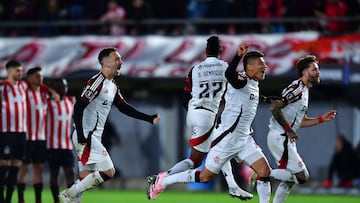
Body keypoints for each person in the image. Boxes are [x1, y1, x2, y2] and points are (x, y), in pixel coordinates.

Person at [148, 45, 273, 203]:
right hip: (226, 138)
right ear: (249, 67)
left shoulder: (252, 83)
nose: (265, 66)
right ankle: (164, 181)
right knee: (205, 176)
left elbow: (251, 97)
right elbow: (230, 74)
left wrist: (269, 99)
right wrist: (237, 56)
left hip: (244, 139)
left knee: (265, 171)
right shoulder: (241, 80)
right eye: (261, 63)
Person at [59, 47, 160, 203]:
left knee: (85, 177)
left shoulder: (112, 86)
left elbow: (124, 107)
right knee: (108, 172)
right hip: (87, 136)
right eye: (117, 59)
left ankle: (71, 199)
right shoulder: (97, 82)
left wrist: (148, 118)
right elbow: (79, 106)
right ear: (105, 63)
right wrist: (80, 134)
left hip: (92, 137)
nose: (121, 62)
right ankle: (69, 194)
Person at [267, 55, 337, 203]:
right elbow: (274, 108)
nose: (318, 72)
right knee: (302, 176)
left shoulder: (305, 91)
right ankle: (264, 173)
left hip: (285, 137)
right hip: (280, 136)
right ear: (304, 72)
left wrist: (321, 119)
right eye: (314, 69)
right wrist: (288, 129)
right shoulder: (297, 88)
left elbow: (301, 122)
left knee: (289, 179)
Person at [17, 66, 60, 203]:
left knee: (38, 169)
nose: (40, 79)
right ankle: (21, 199)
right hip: (27, 138)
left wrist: (51, 91)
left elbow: (54, 96)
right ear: (29, 78)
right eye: (37, 76)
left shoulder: (43, 94)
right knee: (23, 169)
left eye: (41, 76)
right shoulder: (24, 91)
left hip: (41, 139)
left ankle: (38, 200)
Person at [0, 60, 27, 203]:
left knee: (16, 166)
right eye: (18, 70)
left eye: (21, 70)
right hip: (6, 132)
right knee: (4, 165)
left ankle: (9, 199)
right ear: (9, 71)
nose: (21, 73)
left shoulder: (23, 86)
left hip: (21, 132)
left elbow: (40, 87)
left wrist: (52, 92)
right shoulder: (3, 86)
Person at [46, 78, 76, 203]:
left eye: (65, 86)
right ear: (55, 88)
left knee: (70, 173)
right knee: (54, 174)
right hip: (52, 146)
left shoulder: (70, 101)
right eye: (61, 86)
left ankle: (69, 200)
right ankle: (56, 201)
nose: (64, 88)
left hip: (67, 145)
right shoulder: (48, 102)